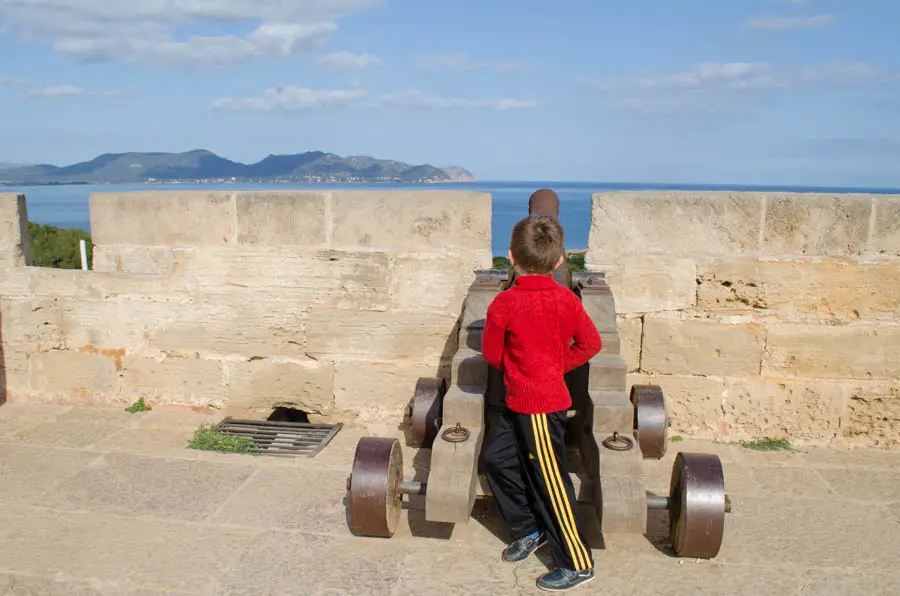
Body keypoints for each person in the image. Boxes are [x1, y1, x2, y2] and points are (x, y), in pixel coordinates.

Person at [481, 214, 603, 592]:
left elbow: (490, 353)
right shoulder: (565, 299)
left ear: (510, 258)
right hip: (519, 399)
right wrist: (554, 364)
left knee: (551, 481)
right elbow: (591, 344)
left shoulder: (503, 303)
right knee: (496, 459)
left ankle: (578, 562)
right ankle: (530, 528)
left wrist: (540, 369)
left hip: (539, 405)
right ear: (559, 260)